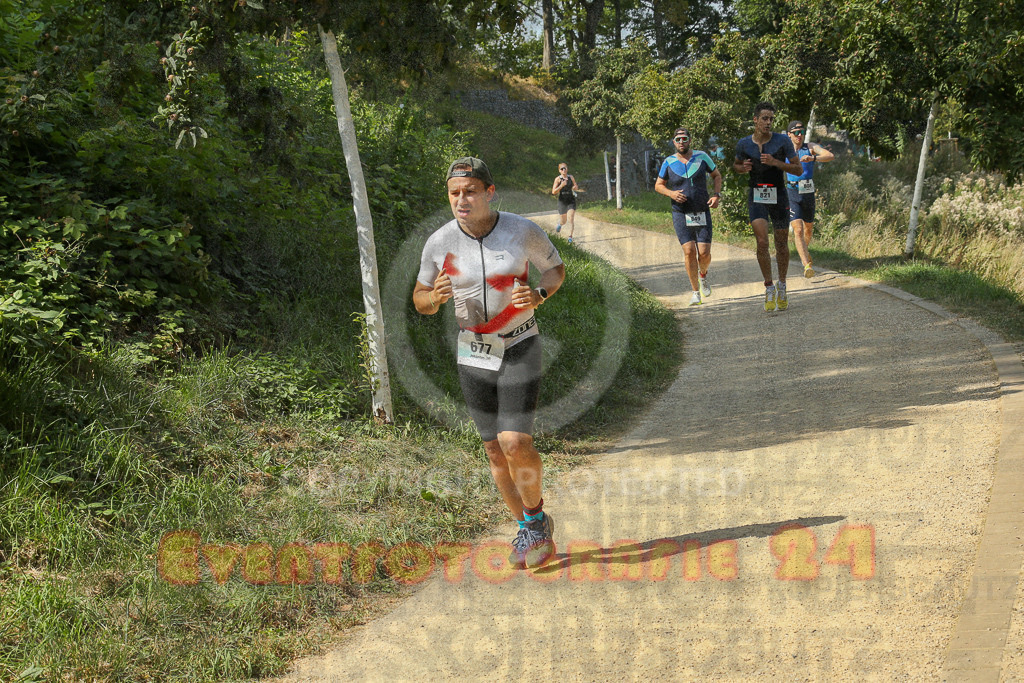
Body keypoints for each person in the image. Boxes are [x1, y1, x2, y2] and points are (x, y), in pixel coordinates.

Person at [413, 157, 566, 569]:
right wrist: (435, 298)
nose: (461, 200)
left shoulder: (521, 230)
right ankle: (527, 527)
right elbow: (420, 300)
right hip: (473, 352)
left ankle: (534, 517)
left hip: (520, 343)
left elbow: (555, 270)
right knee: (494, 452)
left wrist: (539, 295)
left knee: (515, 442)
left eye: (470, 191)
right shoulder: (439, 242)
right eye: (454, 193)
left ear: (489, 192)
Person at [734, 102, 804, 311]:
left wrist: (776, 163)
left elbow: (798, 169)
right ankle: (769, 286)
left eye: (771, 119)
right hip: (756, 196)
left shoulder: (782, 141)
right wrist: (742, 167)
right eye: (764, 118)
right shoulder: (744, 144)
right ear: (755, 120)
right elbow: (736, 165)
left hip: (779, 195)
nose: (768, 122)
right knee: (762, 241)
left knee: (781, 243)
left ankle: (782, 283)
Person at [654, 127, 723, 306]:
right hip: (680, 212)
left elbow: (716, 175)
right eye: (678, 139)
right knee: (689, 252)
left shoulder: (702, 157)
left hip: (701, 210)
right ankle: (695, 292)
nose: (681, 142)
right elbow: (658, 185)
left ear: (690, 140)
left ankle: (703, 275)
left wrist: (716, 195)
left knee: (704, 254)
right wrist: (671, 194)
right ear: (674, 142)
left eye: (684, 138)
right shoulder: (668, 162)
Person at [786, 120, 835, 278]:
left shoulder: (810, 147)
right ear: (789, 135)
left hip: (807, 192)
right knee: (798, 230)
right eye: (796, 133)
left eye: (801, 132)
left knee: (808, 229)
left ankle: (804, 253)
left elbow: (829, 155)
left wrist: (813, 159)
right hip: (792, 191)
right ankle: (806, 264)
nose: (799, 136)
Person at [551, 163, 580, 244]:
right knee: (564, 221)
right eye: (562, 169)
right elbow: (553, 192)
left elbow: (576, 187)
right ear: (559, 170)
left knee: (571, 218)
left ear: (567, 169)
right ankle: (560, 224)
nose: (564, 170)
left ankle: (570, 237)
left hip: (571, 200)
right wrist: (561, 185)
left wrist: (575, 188)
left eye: (565, 168)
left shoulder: (571, 177)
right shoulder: (558, 179)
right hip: (562, 201)